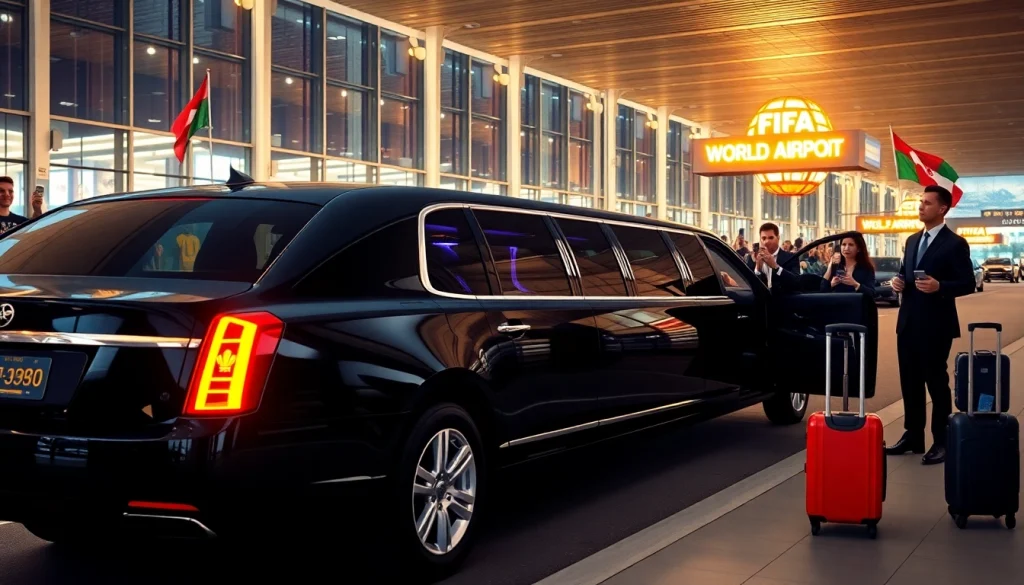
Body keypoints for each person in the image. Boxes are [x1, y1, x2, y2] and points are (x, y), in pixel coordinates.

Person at [886, 185, 976, 465]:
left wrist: (940, 286)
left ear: (942, 209)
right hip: (908, 323)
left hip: (936, 325)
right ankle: (913, 435)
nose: (920, 207)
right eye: (920, 202)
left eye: (926, 203)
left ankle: (942, 440)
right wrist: (897, 282)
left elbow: (968, 283)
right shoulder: (912, 240)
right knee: (909, 383)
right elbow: (904, 274)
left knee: (936, 384)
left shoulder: (955, 243)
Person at [746, 222, 800, 292]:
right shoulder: (751, 258)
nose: (767, 241)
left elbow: (796, 282)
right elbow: (748, 284)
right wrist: (757, 269)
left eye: (771, 238)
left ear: (778, 238)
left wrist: (776, 267)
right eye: (763, 238)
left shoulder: (791, 257)